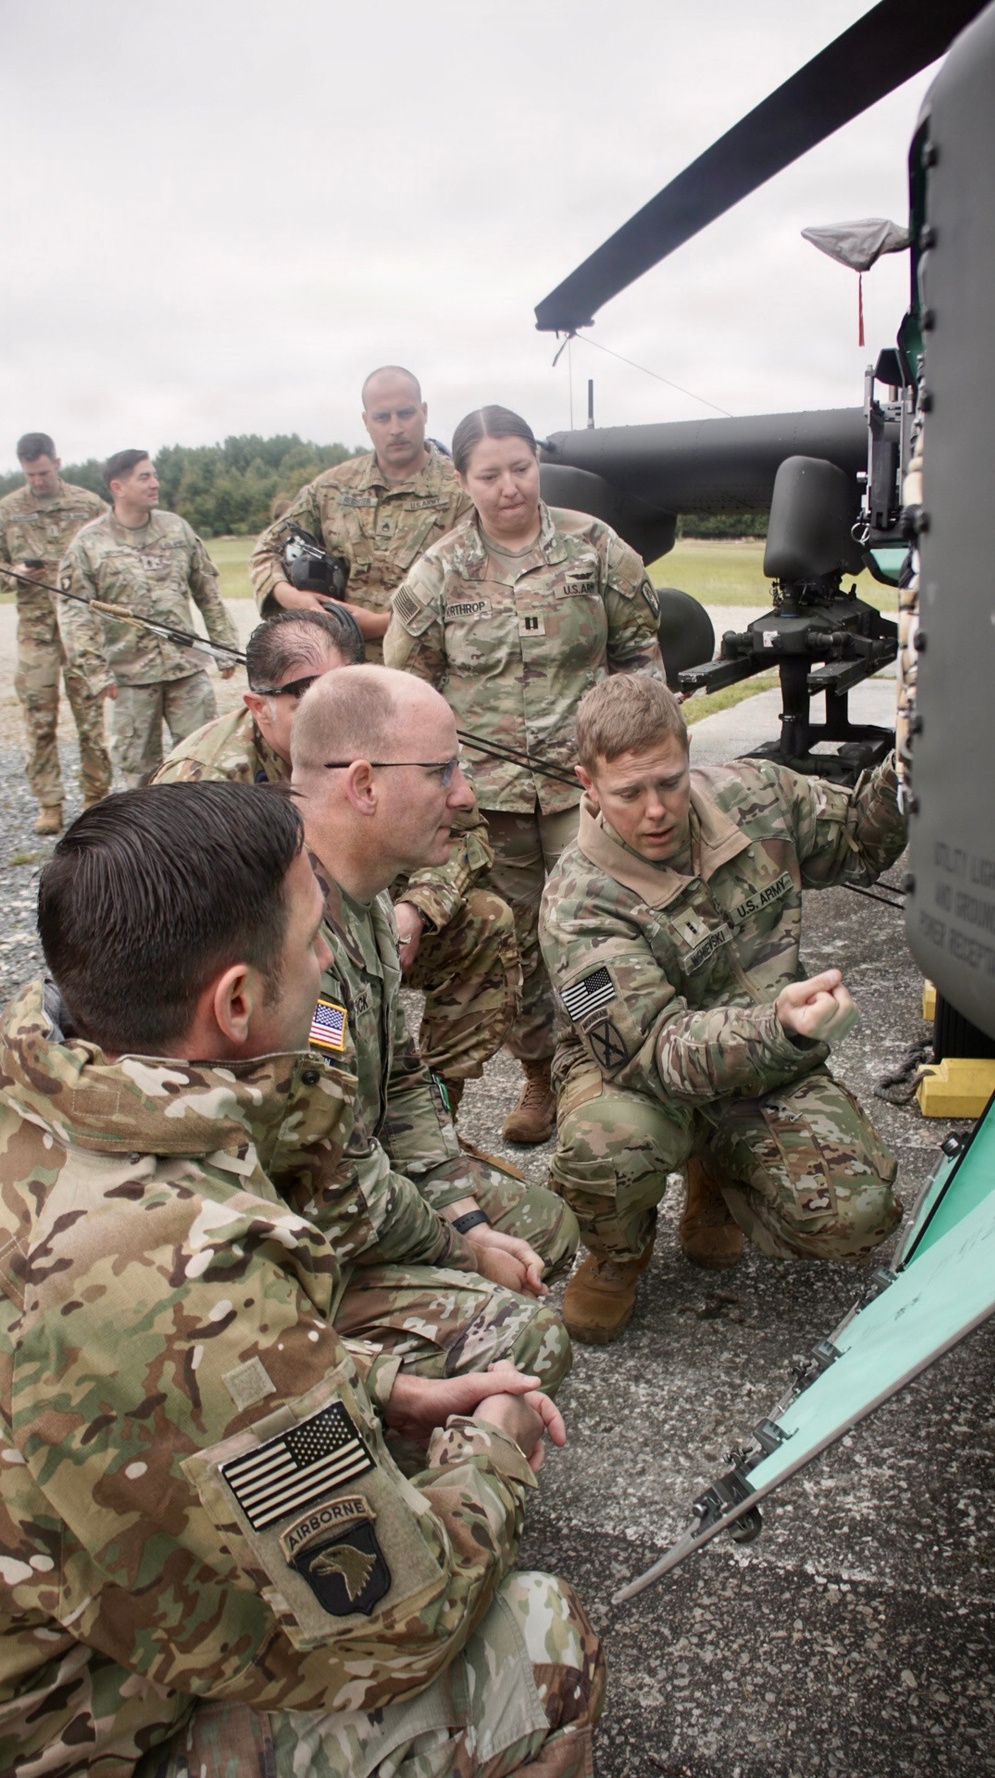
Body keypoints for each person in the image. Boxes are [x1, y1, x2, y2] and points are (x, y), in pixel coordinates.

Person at [0, 782, 603, 1774]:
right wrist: (492, 1451)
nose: (329, 962)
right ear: (234, 1001)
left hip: (56, 1576)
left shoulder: (55, 1073)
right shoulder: (192, 1276)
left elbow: (140, 1396)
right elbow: (401, 1626)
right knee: (536, 1651)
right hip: (79, 1715)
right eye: (312, 941)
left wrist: (373, 1389)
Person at [539, 673, 907, 1344]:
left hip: (763, 1063)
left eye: (669, 782)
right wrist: (780, 1027)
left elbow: (859, 839)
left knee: (859, 1219)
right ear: (587, 786)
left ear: (689, 758)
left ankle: (717, 1170)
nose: (655, 810)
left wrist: (908, 768)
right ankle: (619, 1251)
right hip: (639, 1076)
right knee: (605, 1150)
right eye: (628, 793)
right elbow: (653, 1051)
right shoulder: (578, 902)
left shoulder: (756, 795)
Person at [384, 403, 666, 1146]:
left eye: (521, 467)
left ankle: (603, 1067)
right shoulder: (438, 571)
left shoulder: (596, 548)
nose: (509, 486)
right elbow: (408, 688)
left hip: (586, 787)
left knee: (599, 927)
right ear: (462, 479)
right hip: (491, 797)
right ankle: (540, 1076)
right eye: (489, 474)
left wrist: (642, 756)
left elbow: (640, 655)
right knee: (519, 940)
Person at [290, 665, 580, 1303]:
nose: (466, 795)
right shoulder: (286, 943)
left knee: (548, 1229)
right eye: (440, 771)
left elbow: (399, 1078)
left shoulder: (361, 898)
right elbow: (326, 1177)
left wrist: (465, 1215)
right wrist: (466, 1252)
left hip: (356, 1164)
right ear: (363, 785)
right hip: (290, 1215)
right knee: (522, 1341)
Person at [154, 608, 520, 1111]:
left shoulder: (387, 739)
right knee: (327, 1020)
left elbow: (467, 832)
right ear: (259, 708)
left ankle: (430, 1105)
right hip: (273, 962)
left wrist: (416, 908)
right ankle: (330, 1122)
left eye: (347, 685)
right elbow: (178, 937)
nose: (337, 708)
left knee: (484, 921)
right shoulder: (201, 782)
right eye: (310, 696)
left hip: (377, 921)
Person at [249, 366, 471, 659]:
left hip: (426, 670)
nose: (395, 428)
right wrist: (293, 597)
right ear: (366, 421)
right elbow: (266, 551)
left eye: (405, 413)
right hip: (341, 669)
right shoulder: (332, 488)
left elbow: (477, 595)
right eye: (382, 417)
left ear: (424, 412)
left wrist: (383, 624)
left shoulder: (461, 490)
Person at [57, 448, 240, 785]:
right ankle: (146, 838)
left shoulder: (176, 530)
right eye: (145, 477)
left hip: (186, 669)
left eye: (154, 475)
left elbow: (207, 593)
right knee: (139, 772)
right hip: (130, 679)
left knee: (202, 762)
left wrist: (224, 646)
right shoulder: (88, 544)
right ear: (118, 487)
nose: (155, 483)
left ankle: (206, 834)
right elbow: (73, 614)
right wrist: (95, 672)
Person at [0, 431, 112, 833]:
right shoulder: (8, 510)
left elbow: (112, 555)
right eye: (30, 475)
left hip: (81, 634)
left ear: (57, 463)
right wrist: (15, 574)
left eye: (43, 473)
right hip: (36, 635)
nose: (38, 481)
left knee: (90, 722)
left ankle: (95, 800)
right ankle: (49, 804)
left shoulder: (89, 505)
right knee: (39, 721)